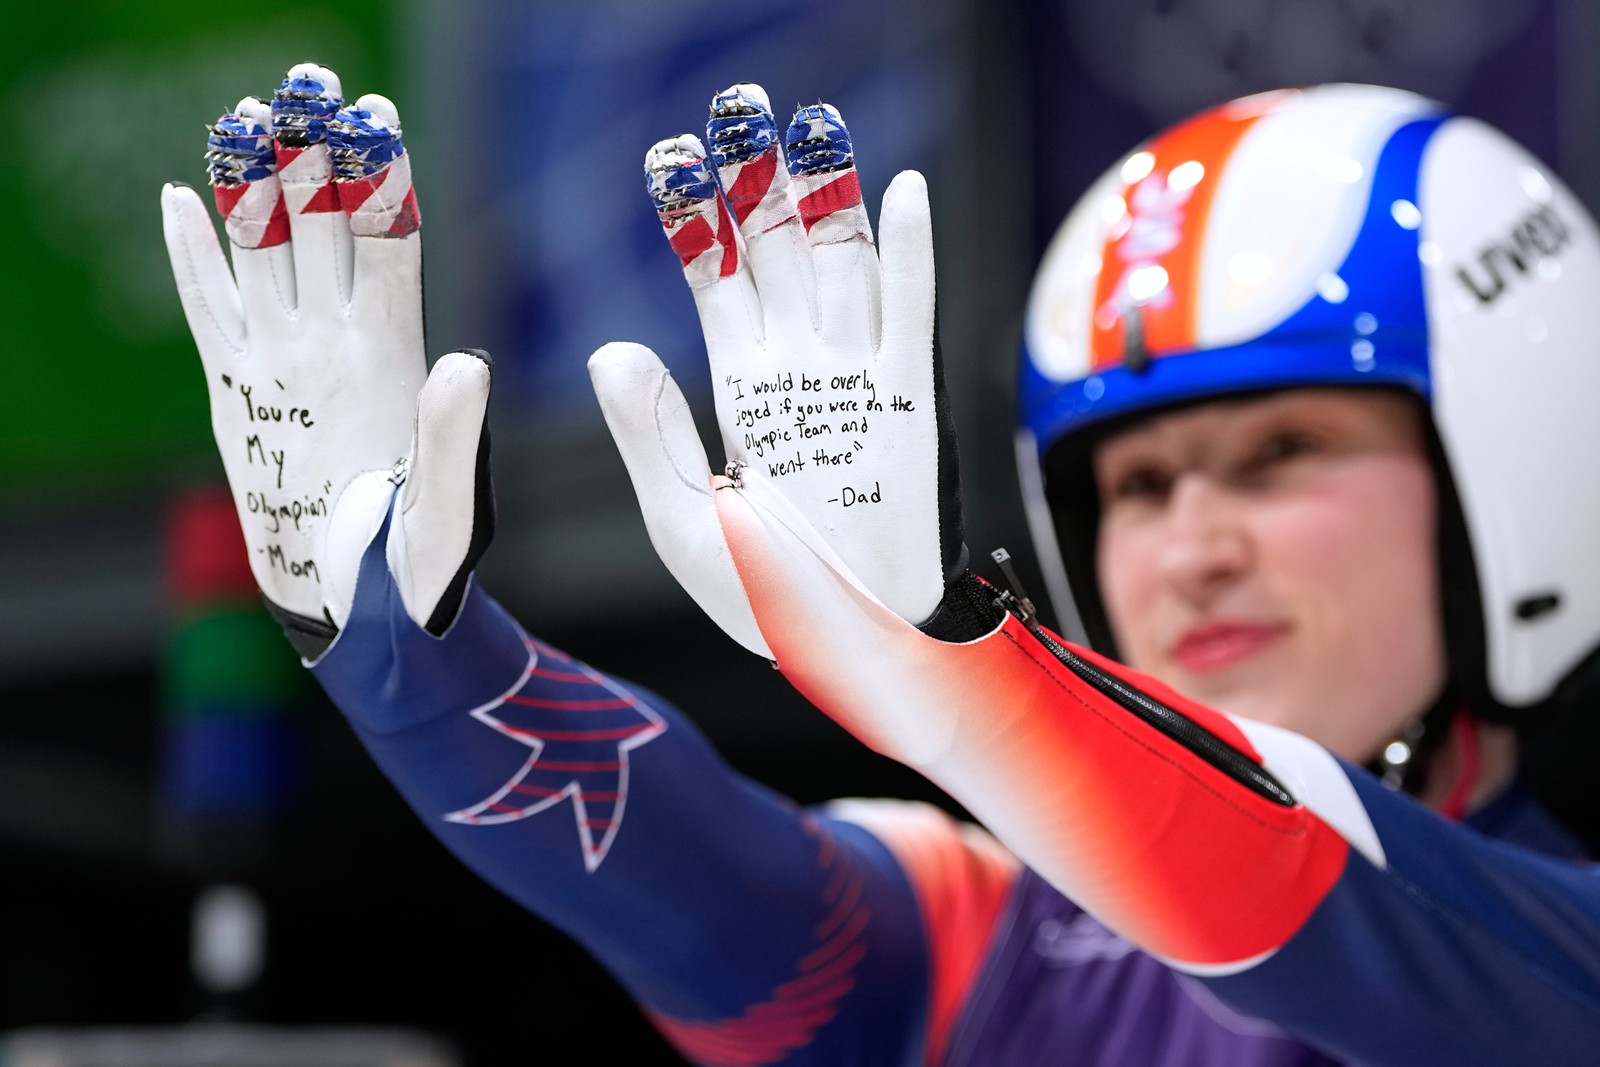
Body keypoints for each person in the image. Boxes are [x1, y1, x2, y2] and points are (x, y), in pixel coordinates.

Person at [162, 66, 1600, 1067]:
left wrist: (955, 671)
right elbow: (688, 876)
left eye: (1284, 453)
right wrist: (408, 664)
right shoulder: (979, 946)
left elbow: (1341, 909)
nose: (1195, 548)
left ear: (1519, 460)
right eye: (1141, 483)